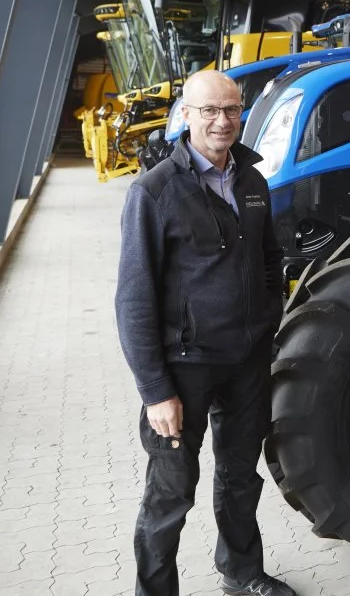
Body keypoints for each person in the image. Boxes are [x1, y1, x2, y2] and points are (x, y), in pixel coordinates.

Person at [115, 69, 295, 596]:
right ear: (186, 116)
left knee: (241, 477)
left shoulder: (252, 182)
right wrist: (156, 391)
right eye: (210, 110)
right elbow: (133, 299)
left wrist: (266, 319)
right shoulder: (154, 192)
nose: (222, 121)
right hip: (184, 368)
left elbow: (269, 258)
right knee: (171, 492)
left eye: (231, 109)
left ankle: (242, 573)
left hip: (246, 362)